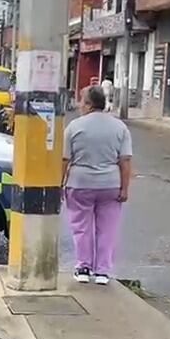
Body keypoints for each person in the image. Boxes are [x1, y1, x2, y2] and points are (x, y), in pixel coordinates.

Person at [63, 86, 132, 285]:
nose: (78, 105)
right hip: (110, 184)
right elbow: (125, 161)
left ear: (89, 104)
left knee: (82, 227)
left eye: (81, 101)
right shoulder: (119, 127)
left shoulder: (74, 127)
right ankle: (102, 271)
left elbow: (64, 159)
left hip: (79, 183)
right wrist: (125, 188)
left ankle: (83, 267)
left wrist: (61, 184)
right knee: (107, 228)